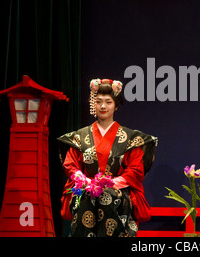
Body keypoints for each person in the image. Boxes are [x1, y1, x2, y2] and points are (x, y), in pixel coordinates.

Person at [57, 78, 158, 237]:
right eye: (98, 102)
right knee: (86, 198)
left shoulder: (129, 138)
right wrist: (86, 182)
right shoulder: (81, 136)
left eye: (108, 102)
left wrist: (111, 183)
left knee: (107, 196)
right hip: (87, 189)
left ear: (116, 106)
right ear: (93, 104)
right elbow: (70, 165)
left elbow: (135, 169)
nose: (103, 106)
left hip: (118, 191)